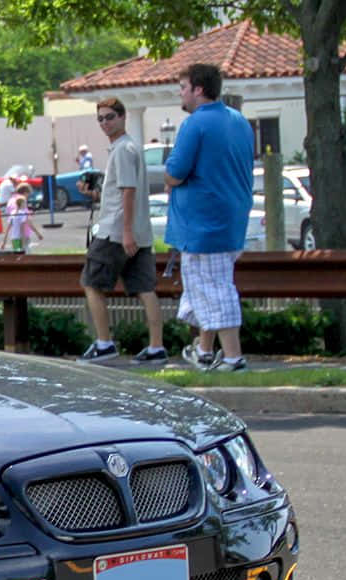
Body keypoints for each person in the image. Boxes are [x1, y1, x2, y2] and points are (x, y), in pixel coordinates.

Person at [165, 62, 255, 372]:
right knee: (204, 288)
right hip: (232, 220)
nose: (181, 94)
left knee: (216, 289)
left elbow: (175, 173)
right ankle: (204, 351)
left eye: (183, 87)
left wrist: (169, 177)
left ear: (198, 89)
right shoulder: (240, 121)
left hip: (203, 225)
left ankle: (233, 358)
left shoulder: (194, 124)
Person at [77, 97, 166, 363]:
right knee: (144, 287)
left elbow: (129, 191)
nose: (105, 123)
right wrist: (94, 194)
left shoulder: (123, 149)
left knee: (91, 283)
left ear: (123, 117)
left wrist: (126, 232)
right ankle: (156, 347)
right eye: (100, 119)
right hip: (138, 231)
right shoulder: (130, 148)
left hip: (115, 232)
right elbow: (120, 193)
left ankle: (104, 343)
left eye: (110, 117)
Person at [4, 182, 43, 252]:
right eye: (28, 194)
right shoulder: (22, 202)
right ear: (25, 192)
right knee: (26, 254)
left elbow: (9, 215)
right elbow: (27, 222)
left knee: (16, 254)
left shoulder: (11, 200)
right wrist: (37, 233)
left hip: (14, 235)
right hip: (23, 234)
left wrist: (4, 241)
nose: (28, 196)